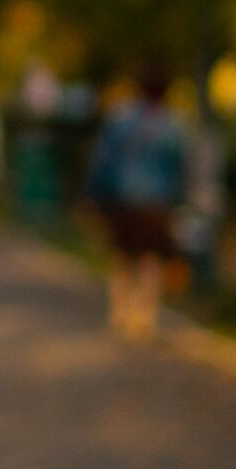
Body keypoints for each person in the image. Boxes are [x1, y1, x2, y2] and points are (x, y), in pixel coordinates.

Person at [81, 64, 188, 342]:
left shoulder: (121, 118)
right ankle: (145, 318)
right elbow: (181, 168)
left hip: (122, 199)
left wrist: (93, 195)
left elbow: (103, 160)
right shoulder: (173, 124)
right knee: (152, 259)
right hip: (157, 202)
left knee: (121, 257)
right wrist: (180, 202)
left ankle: (119, 312)